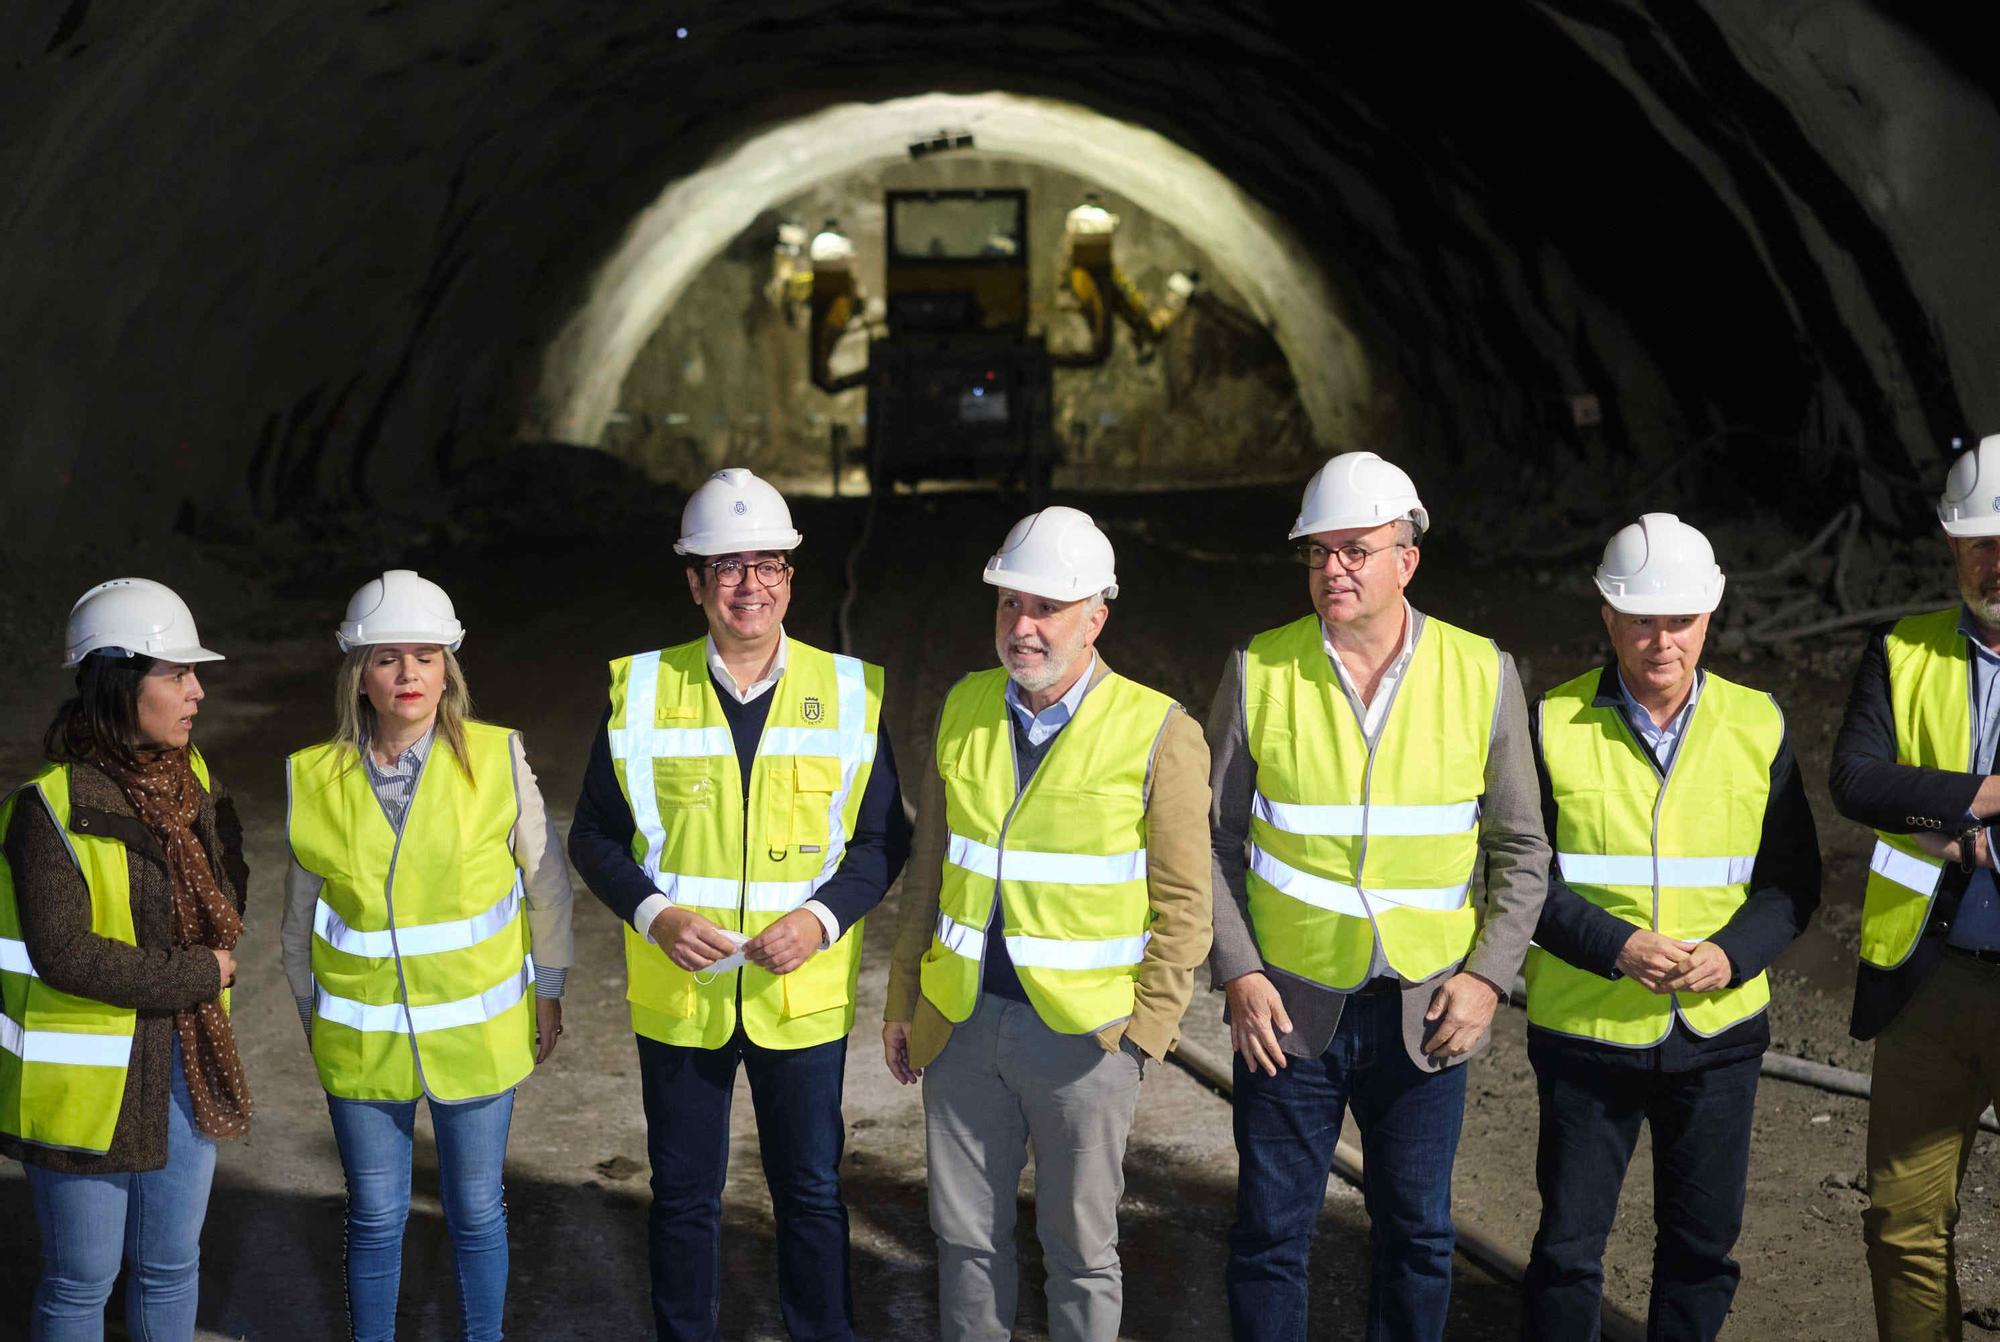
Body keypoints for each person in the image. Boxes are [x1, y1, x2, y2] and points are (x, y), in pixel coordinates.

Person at [1207, 451, 1551, 1342]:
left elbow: (1522, 846)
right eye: (1319, 553)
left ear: (1408, 556)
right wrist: (1240, 974)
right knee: (1271, 1237)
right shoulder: (1259, 670)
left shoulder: (1483, 674)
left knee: (1420, 1236)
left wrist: (1487, 980)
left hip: (1427, 1010)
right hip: (1288, 1011)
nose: (1334, 570)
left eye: (1356, 549)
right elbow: (1208, 842)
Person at [567, 467, 910, 1342]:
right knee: (683, 1198)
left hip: (800, 1000)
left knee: (811, 1194)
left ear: (792, 578)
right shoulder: (642, 692)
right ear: (695, 583)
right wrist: (657, 916)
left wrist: (821, 920)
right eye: (726, 566)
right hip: (683, 998)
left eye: (766, 564)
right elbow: (595, 837)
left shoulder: (847, 693)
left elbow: (882, 843)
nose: (748, 584)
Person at [883, 506, 1212, 1342]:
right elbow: (931, 871)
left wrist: (1144, 1036)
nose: (1021, 628)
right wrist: (902, 999)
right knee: (963, 1242)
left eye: (1045, 609)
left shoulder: (1160, 733)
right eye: (1007, 605)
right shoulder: (965, 704)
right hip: (959, 1024)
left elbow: (1185, 905)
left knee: (1080, 1249)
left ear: (1096, 617)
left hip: (1084, 1042)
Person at [1519, 514, 1820, 1341]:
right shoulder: (1550, 722)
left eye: (1680, 620)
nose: (1663, 641)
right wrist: (1616, 945)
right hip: (1587, 1033)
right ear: (1608, 615)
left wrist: (1732, 954)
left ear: (1709, 618)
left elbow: (1791, 882)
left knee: (1700, 1249)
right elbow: (1520, 881)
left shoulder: (1757, 722)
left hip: (1717, 1039)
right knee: (1569, 1250)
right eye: (1643, 620)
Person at [281, 569, 572, 1342]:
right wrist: (316, 1019)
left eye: (426, 656)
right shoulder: (314, 776)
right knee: (375, 1216)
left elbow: (547, 884)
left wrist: (552, 986)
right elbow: (296, 923)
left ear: (449, 670)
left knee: (477, 1210)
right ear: (360, 676)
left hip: (477, 1037)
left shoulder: (497, 756)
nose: (408, 674)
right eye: (388, 658)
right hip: (363, 1040)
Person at [1, 578, 250, 1341]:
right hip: (87, 1087)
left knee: (172, 1268)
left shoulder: (192, 779)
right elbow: (66, 953)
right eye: (176, 674)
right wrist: (201, 973)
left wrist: (214, 947)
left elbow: (228, 892)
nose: (197, 691)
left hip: (182, 1065)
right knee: (82, 1283)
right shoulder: (47, 809)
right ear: (117, 679)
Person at [1830, 433, 2000, 1341]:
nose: (1998, 561)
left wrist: (1937, 808)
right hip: (1926, 981)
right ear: (1951, 545)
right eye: (1981, 541)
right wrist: (1984, 796)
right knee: (1903, 1225)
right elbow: (1857, 779)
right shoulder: (1902, 652)